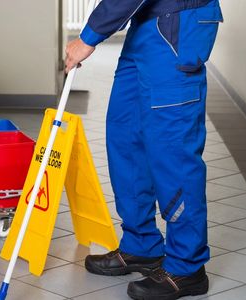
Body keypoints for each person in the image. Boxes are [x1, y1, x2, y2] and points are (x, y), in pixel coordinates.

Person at [64, 0, 223, 299]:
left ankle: (187, 267)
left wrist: (89, 36)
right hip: (145, 25)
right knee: (126, 138)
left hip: (178, 26)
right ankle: (142, 246)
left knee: (172, 150)